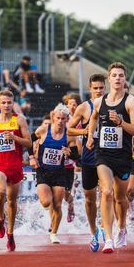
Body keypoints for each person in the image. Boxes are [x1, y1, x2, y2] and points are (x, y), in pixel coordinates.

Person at [86, 63, 134, 253]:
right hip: (103, 154)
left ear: (125, 79)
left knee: (120, 198)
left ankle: (122, 228)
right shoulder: (99, 102)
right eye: (114, 75)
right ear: (109, 79)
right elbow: (93, 118)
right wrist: (90, 137)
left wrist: (120, 122)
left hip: (123, 157)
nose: (117, 78)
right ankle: (108, 239)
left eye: (121, 75)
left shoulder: (131, 102)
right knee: (106, 192)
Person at [0, 89, 32, 251]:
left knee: (12, 201)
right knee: (0, 192)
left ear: (13, 104)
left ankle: (10, 234)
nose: (6, 105)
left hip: (15, 164)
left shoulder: (20, 120)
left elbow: (29, 142)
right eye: (3, 102)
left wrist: (14, 138)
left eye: (9, 102)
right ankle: (0, 218)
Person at [67, 74, 105, 252]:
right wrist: (86, 132)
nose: (98, 91)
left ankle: (106, 227)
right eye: (95, 88)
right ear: (90, 88)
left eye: (101, 88)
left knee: (107, 193)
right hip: (89, 157)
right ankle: (93, 232)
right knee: (90, 198)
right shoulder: (84, 107)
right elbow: (70, 129)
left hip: (108, 156)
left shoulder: (112, 105)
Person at [31, 104, 78, 244]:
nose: (60, 121)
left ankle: (54, 233)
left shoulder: (70, 136)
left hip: (59, 172)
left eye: (63, 118)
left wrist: (69, 153)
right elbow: (28, 141)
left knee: (57, 205)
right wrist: (31, 157)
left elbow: (76, 155)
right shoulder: (43, 130)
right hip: (43, 171)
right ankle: (47, 209)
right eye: (58, 118)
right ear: (53, 118)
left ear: (67, 119)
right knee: (46, 202)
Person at [62, 93, 82, 223]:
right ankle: (70, 203)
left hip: (80, 149)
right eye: (70, 104)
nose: (72, 106)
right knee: (66, 186)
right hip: (67, 149)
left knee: (78, 174)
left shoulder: (81, 116)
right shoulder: (63, 117)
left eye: (74, 104)